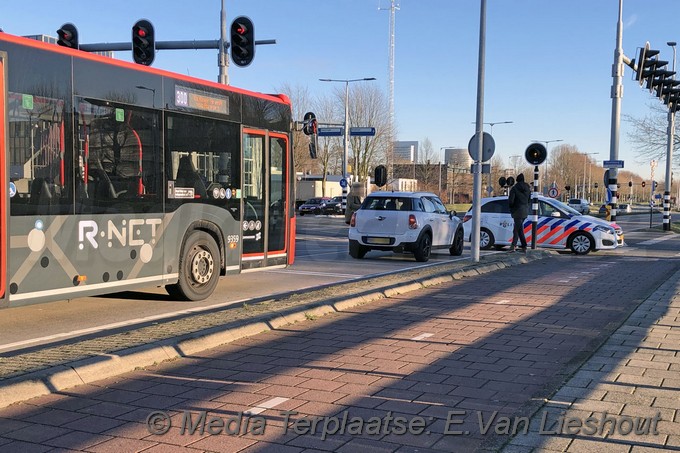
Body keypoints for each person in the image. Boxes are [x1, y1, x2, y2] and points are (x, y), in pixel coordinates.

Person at [508, 173, 531, 252]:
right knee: (518, 228)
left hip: (517, 211)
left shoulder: (514, 189)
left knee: (518, 229)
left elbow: (511, 201)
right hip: (525, 211)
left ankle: (516, 246)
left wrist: (511, 208)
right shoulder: (528, 189)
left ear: (517, 180)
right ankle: (521, 246)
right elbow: (529, 200)